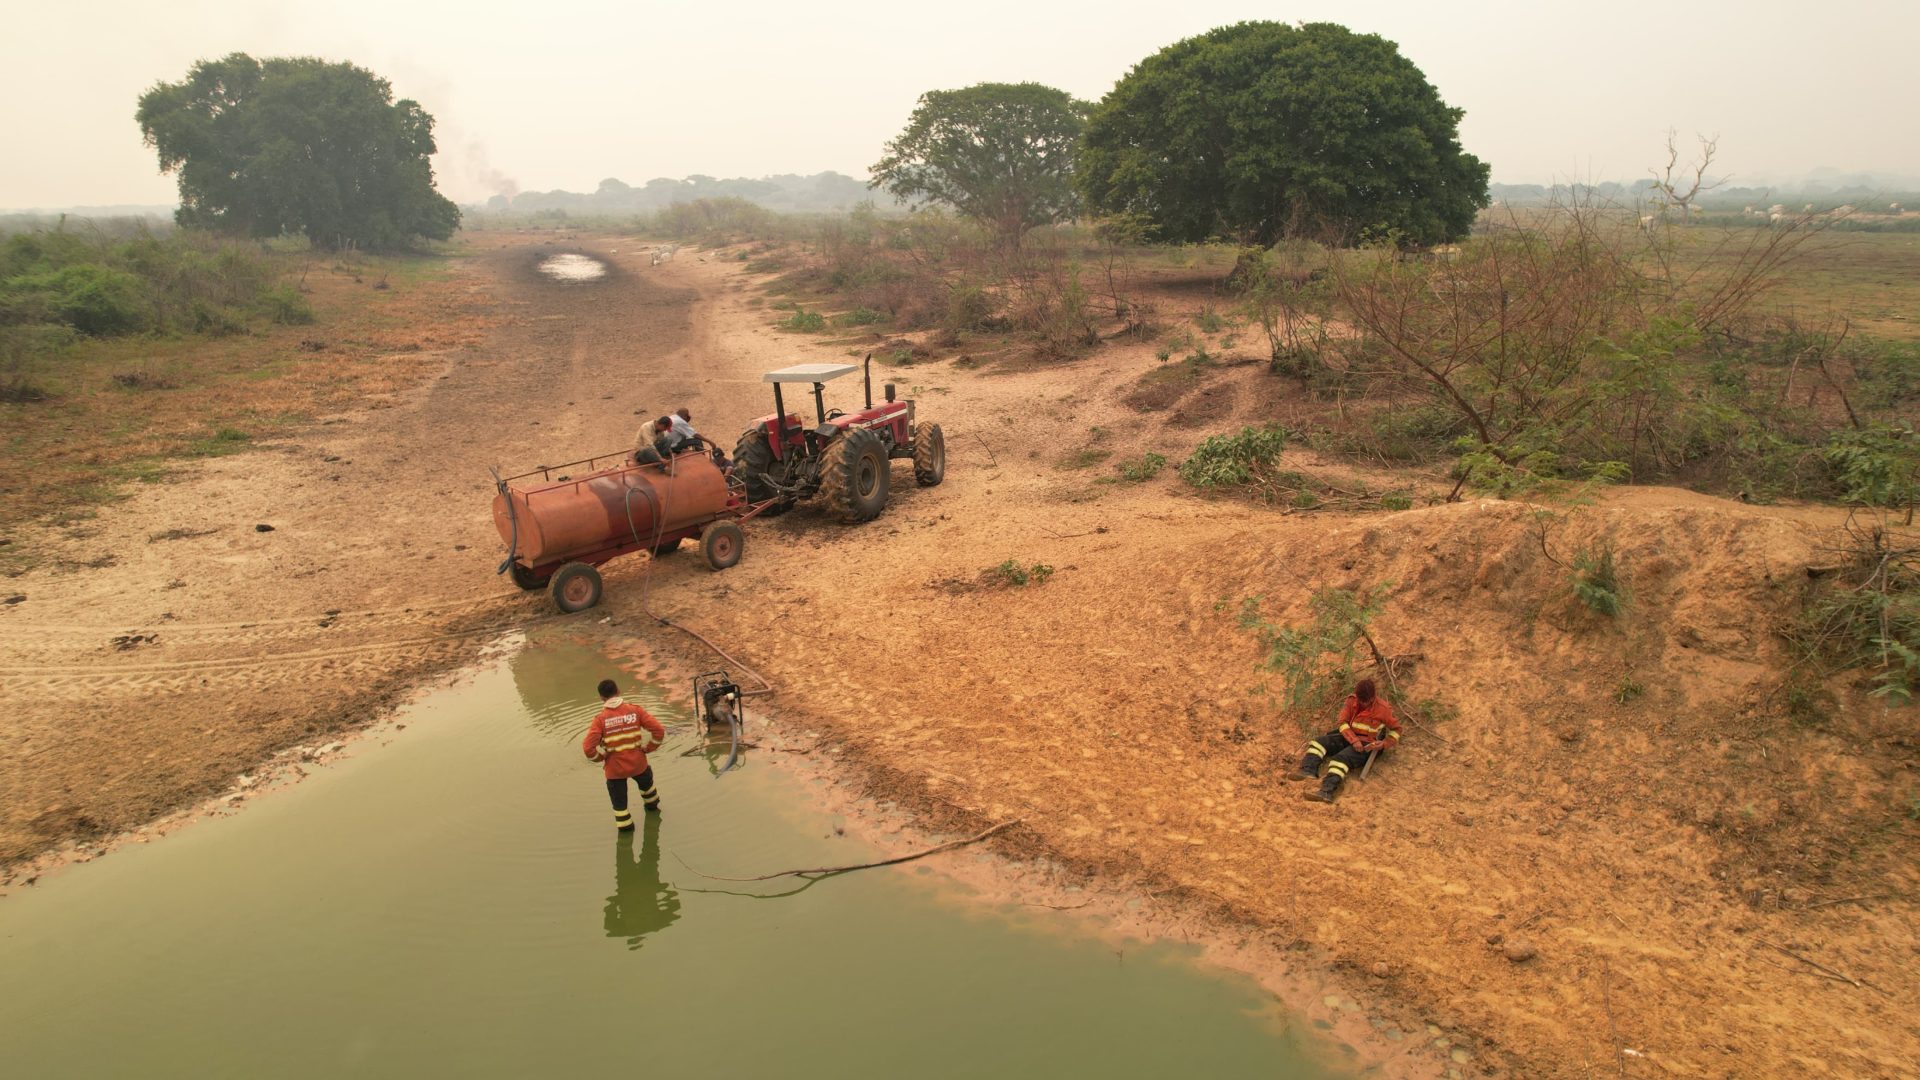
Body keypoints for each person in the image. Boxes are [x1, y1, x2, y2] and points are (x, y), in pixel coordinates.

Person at [1290, 678, 1400, 803]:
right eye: (1360, 700)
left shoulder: (1383, 709)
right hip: (1349, 736)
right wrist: (1353, 740)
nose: (1363, 703)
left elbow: (1396, 730)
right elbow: (1342, 722)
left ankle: (1326, 792)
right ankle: (1308, 770)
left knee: (1340, 759)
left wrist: (1384, 744)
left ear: (1372, 697)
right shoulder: (1351, 701)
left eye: (1366, 701)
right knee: (1318, 742)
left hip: (1368, 745)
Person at [582, 678, 666, 829]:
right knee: (649, 792)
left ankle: (626, 828)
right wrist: (649, 748)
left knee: (621, 809)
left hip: (615, 769)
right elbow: (659, 730)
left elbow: (588, 748)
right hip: (638, 763)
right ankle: (653, 808)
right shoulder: (635, 710)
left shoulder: (600, 720)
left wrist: (601, 758)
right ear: (618, 691)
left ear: (601, 697)